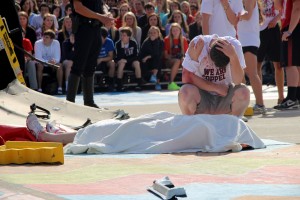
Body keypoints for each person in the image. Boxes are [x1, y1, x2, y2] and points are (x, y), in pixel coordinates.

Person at [178, 34, 250, 117]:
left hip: (225, 96)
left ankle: (234, 124)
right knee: (185, 92)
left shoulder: (235, 46)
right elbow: (186, 78)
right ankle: (190, 124)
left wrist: (233, 57)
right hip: (203, 97)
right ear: (208, 51)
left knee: (244, 92)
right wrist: (217, 88)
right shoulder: (199, 44)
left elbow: (238, 81)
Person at [66, 0, 114, 108]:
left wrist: (106, 14)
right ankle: (70, 102)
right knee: (78, 65)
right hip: (83, 28)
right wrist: (101, 17)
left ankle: (89, 101)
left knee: (91, 66)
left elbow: (102, 5)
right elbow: (78, 7)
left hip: (96, 29)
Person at [237, 0, 267, 114]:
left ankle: (260, 104)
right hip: (242, 40)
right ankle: (244, 103)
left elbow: (248, 16)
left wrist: (230, 13)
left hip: (249, 41)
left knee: (252, 73)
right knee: (241, 74)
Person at [273, 0, 300, 110]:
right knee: (295, 64)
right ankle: (296, 97)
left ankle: (292, 98)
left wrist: (290, 31)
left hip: (293, 28)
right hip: (291, 27)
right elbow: (278, 7)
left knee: (291, 64)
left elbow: (297, 8)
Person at [257, 0, 284, 105]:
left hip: (274, 29)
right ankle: (260, 100)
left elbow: (282, 9)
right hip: (259, 30)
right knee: (257, 65)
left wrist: (276, 19)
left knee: (278, 65)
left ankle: (281, 97)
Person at [115, 27, 144, 91]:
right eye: (121, 35)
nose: (122, 37)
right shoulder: (118, 44)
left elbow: (136, 56)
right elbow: (119, 57)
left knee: (137, 63)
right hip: (121, 62)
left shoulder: (133, 43)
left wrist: (127, 60)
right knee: (122, 63)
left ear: (129, 36)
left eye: (124, 35)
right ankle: (119, 86)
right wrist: (122, 47)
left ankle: (139, 85)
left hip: (130, 61)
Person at [164, 23, 189, 91]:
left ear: (180, 31)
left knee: (184, 60)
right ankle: (171, 83)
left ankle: (188, 82)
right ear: (171, 31)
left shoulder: (183, 40)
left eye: (177, 30)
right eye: (173, 30)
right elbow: (165, 55)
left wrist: (181, 56)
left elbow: (186, 54)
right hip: (169, 61)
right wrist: (174, 56)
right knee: (177, 61)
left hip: (180, 60)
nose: (175, 32)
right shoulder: (167, 39)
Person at [139, 26, 164, 90]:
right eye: (151, 33)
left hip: (155, 60)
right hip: (146, 60)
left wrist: (155, 42)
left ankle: (156, 78)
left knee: (158, 59)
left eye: (154, 33)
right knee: (155, 60)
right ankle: (153, 77)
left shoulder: (161, 42)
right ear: (149, 34)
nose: (152, 34)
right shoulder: (146, 42)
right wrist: (147, 57)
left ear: (158, 34)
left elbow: (158, 53)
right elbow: (143, 53)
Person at [97, 27, 116, 92]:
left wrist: (101, 59)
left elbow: (111, 56)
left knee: (112, 63)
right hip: (94, 60)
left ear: (105, 38)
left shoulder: (109, 42)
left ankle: (110, 83)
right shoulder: (94, 41)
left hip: (105, 60)